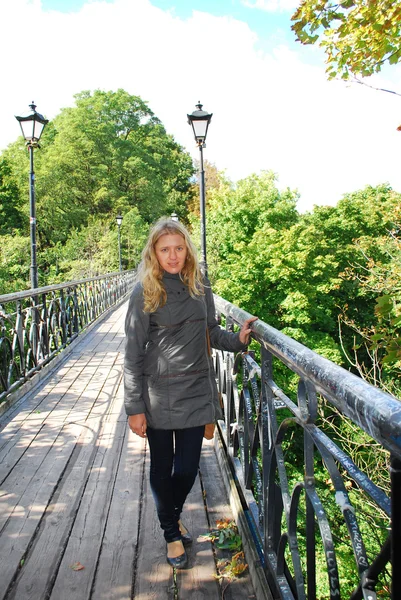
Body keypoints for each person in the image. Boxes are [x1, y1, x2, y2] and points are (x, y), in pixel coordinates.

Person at [124, 217, 257, 569]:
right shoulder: (145, 291)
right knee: (163, 465)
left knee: (186, 468)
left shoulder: (199, 284)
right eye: (165, 249)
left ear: (187, 250)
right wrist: (134, 407)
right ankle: (171, 533)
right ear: (154, 252)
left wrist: (239, 340)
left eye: (178, 248)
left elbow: (211, 330)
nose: (172, 256)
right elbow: (133, 353)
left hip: (197, 389)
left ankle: (172, 514)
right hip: (158, 392)